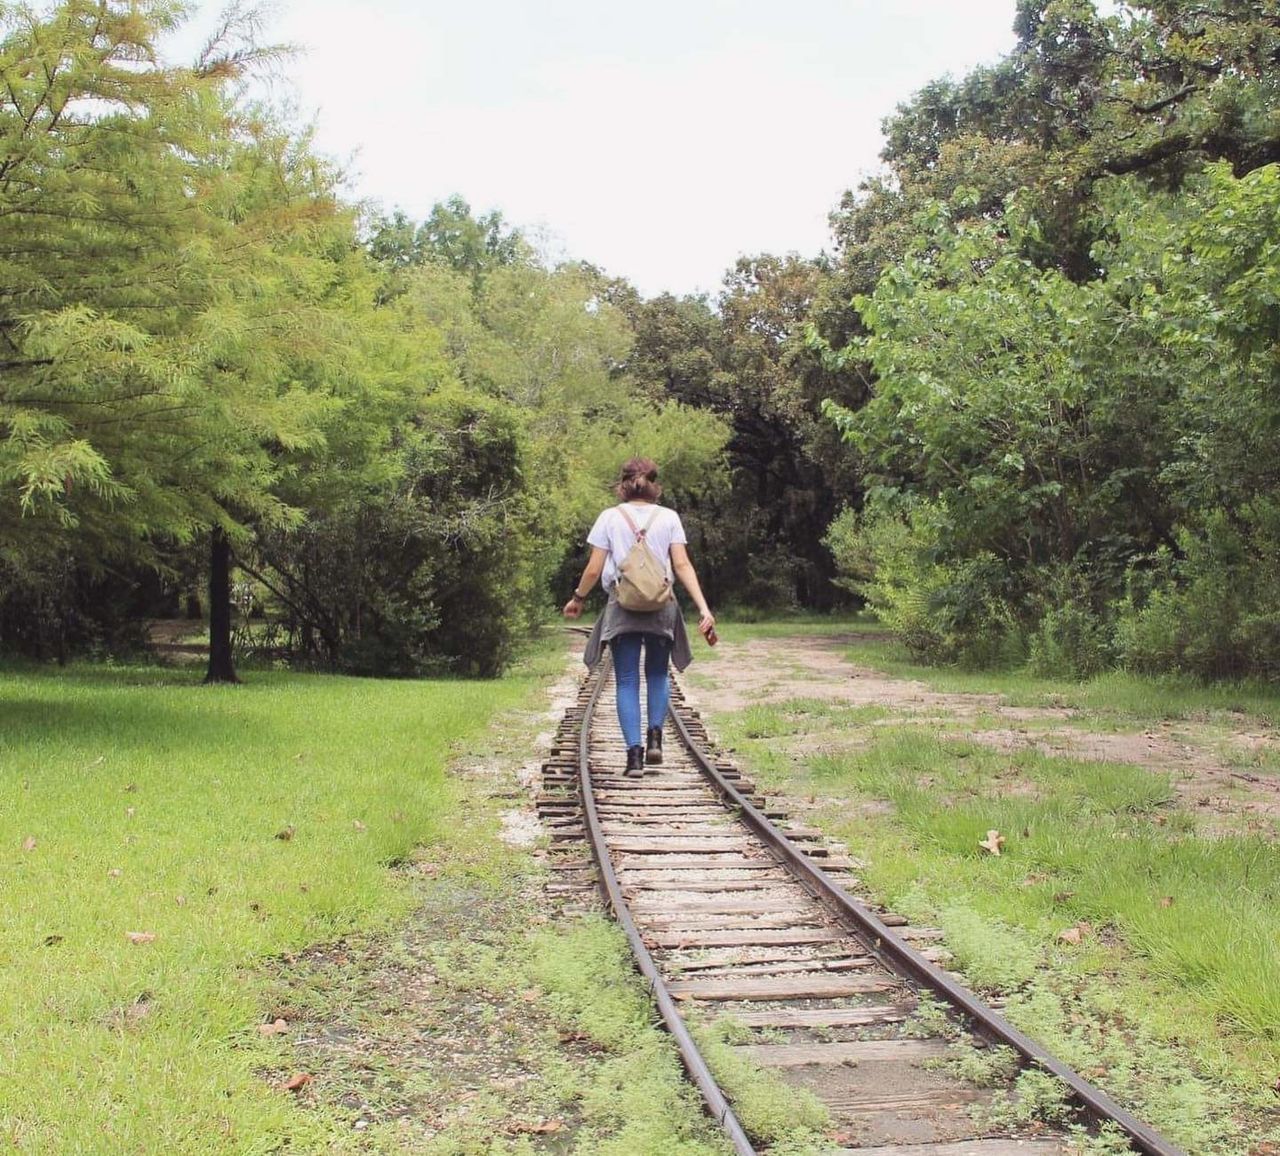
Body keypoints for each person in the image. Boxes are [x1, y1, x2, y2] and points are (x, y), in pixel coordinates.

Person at [564, 458, 716, 778]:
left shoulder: (609, 517)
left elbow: (594, 568)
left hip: (623, 606)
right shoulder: (669, 517)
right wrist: (703, 608)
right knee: (658, 675)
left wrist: (578, 598)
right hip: (663, 607)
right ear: (654, 485)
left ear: (623, 484)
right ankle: (655, 738)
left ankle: (634, 756)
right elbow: (683, 566)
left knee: (628, 680)